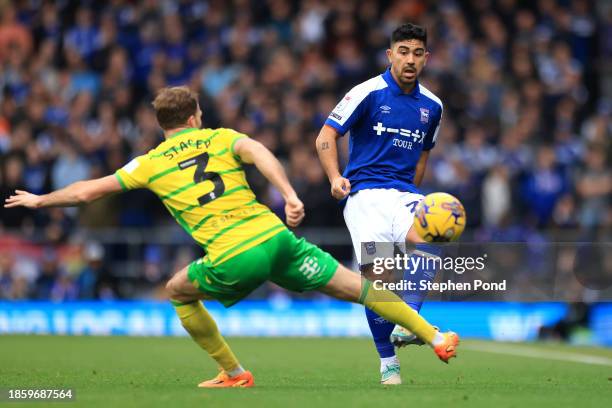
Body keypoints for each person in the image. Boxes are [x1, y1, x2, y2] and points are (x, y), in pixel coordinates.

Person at [5, 86, 458, 388]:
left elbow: (87, 192)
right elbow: (259, 150)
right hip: (278, 238)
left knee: (177, 291)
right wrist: (288, 195)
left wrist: (41, 200)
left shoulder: (148, 163)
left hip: (235, 253)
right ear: (195, 115)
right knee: (361, 288)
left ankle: (234, 372)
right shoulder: (221, 137)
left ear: (162, 124)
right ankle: (435, 337)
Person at [316, 23, 444, 384]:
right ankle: (388, 362)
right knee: (379, 282)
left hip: (403, 194)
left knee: (437, 233)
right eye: (403, 51)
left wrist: (408, 196)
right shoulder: (367, 92)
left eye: (417, 53)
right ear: (390, 55)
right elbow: (327, 135)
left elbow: (423, 157)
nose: (410, 60)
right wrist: (334, 178)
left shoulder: (433, 106)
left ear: (426, 59)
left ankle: (408, 322)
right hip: (365, 198)